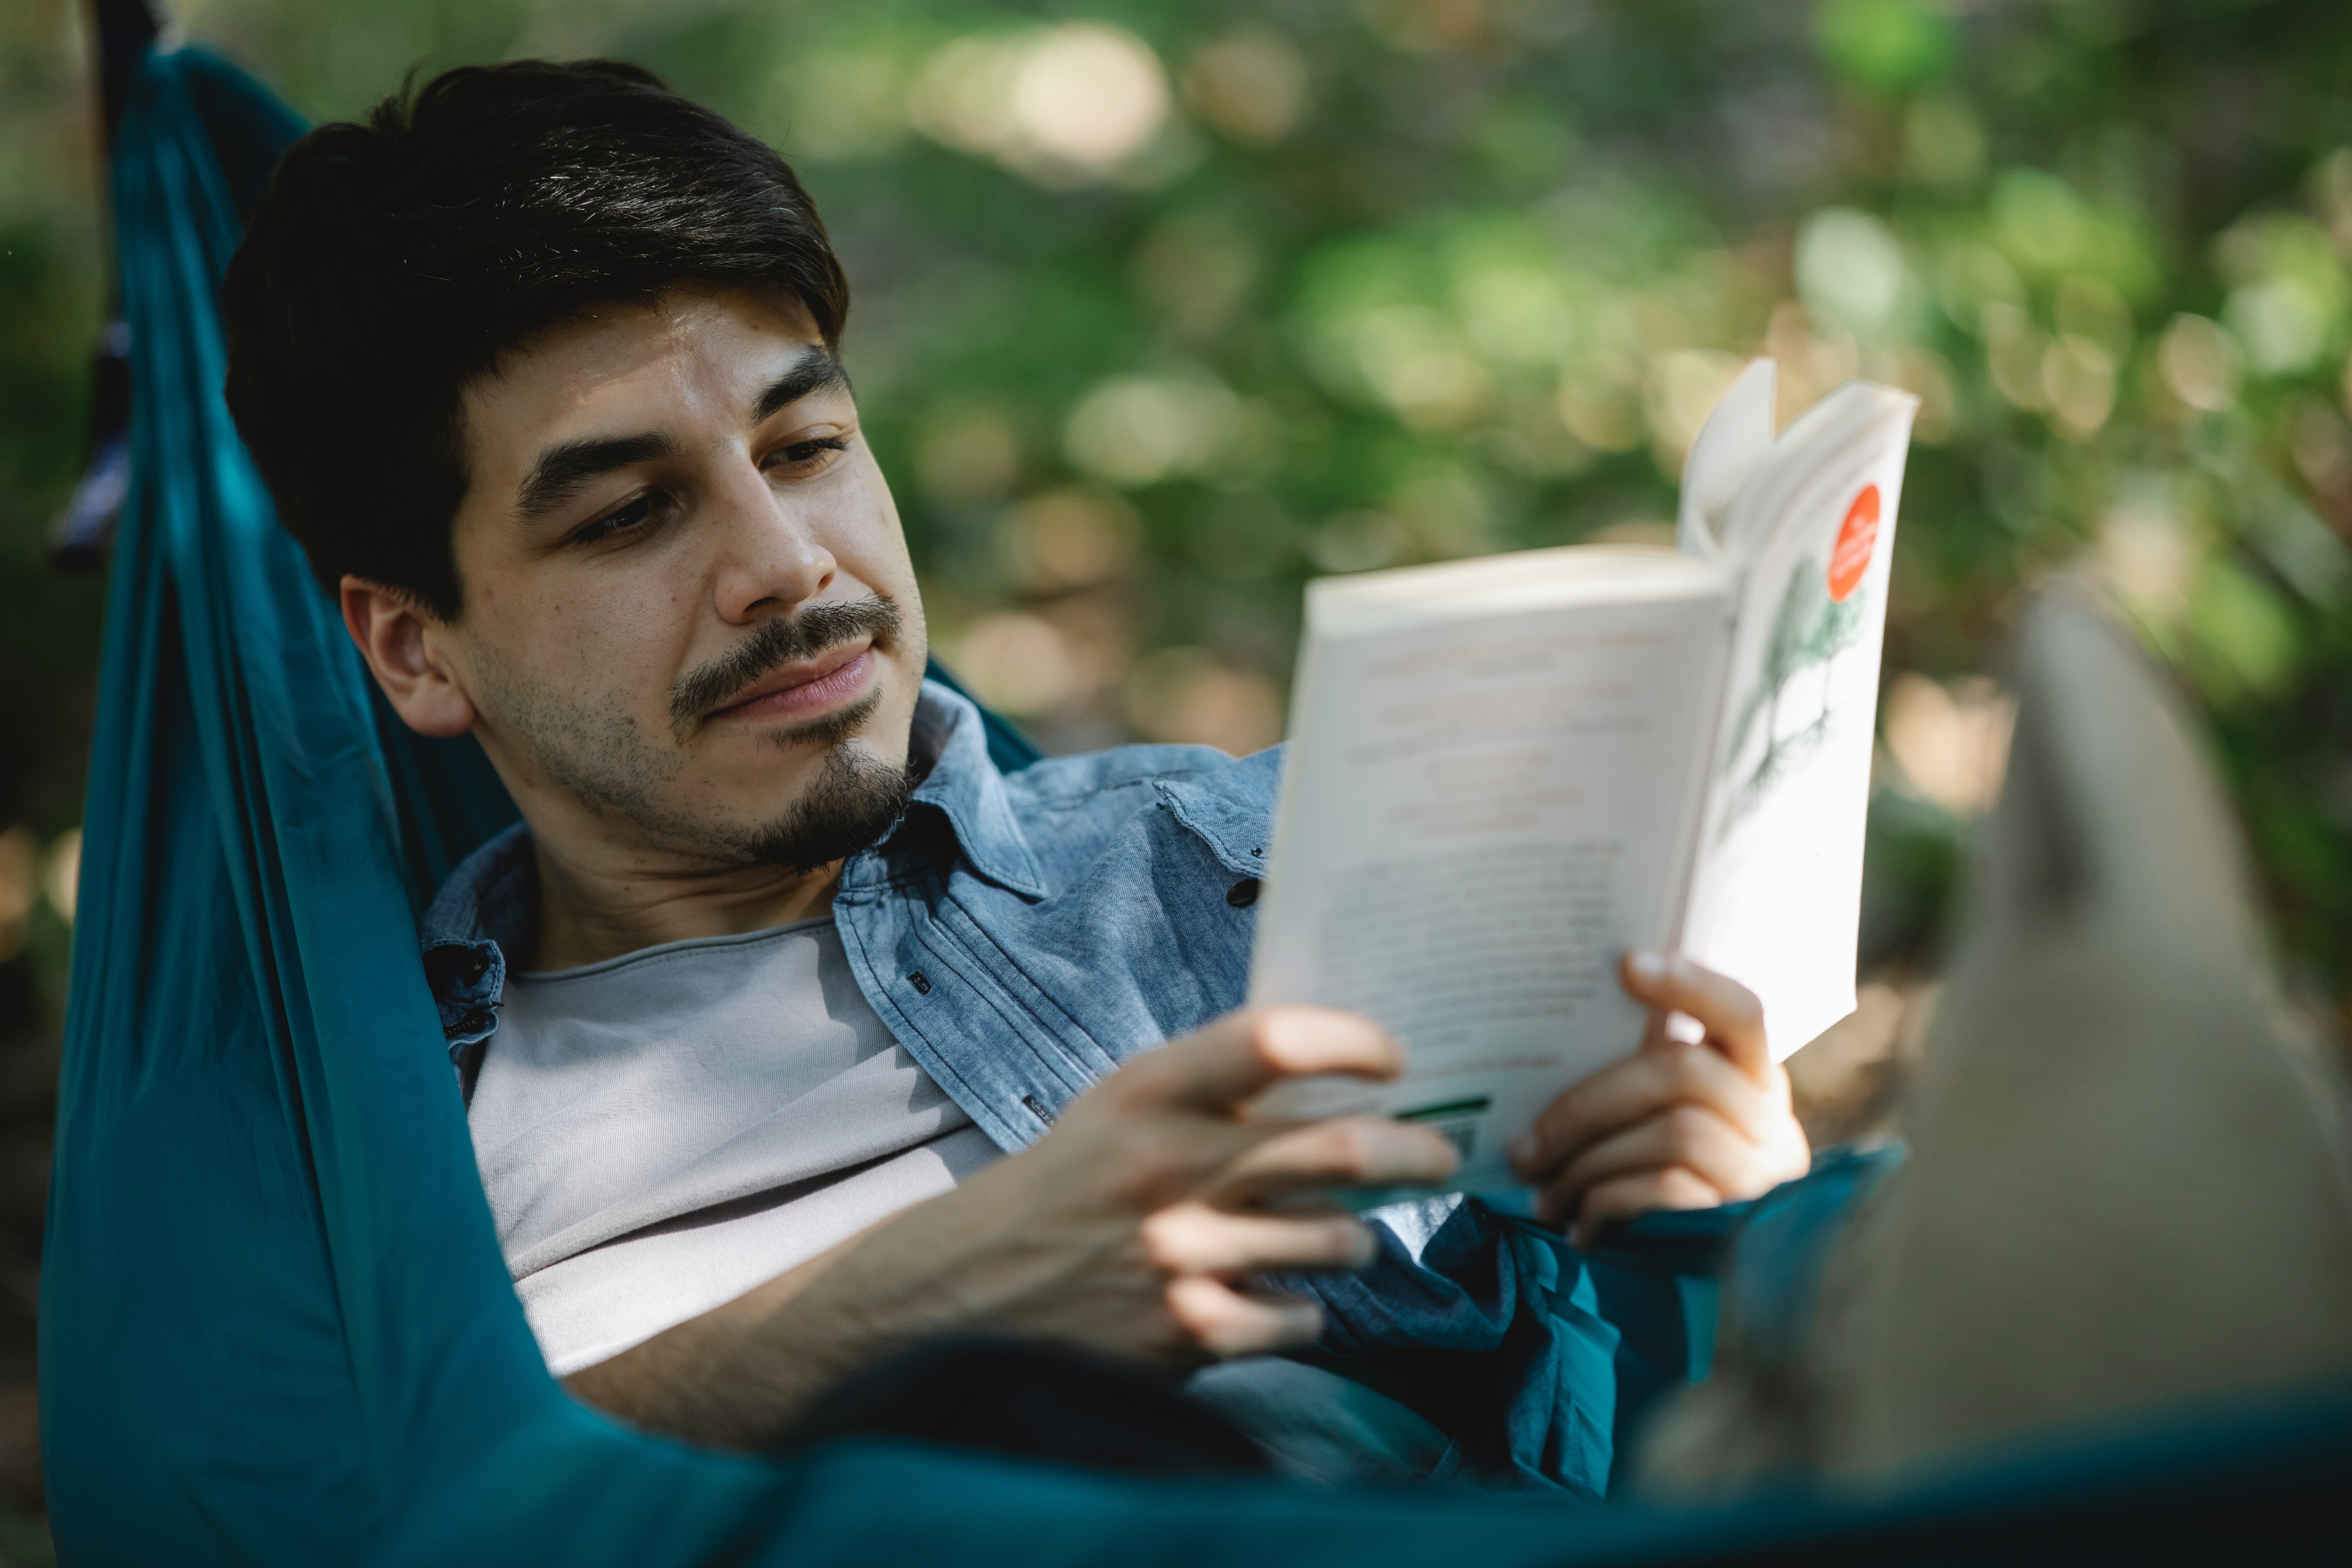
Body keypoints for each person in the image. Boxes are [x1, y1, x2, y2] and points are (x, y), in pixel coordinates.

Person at [220, 58, 1810, 1480]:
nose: (783, 565)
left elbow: (1665, 1419)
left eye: (806, 446)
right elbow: (357, 1523)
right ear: (414, 647)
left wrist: (1739, 1239)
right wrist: (923, 1302)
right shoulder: (387, 1146)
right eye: (628, 513)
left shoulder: (1256, 861)